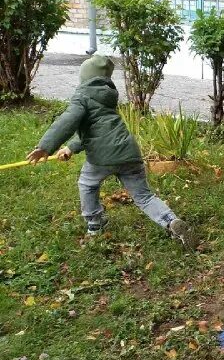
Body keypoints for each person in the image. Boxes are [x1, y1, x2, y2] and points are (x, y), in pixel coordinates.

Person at [26, 55, 196, 248]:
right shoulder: (107, 98)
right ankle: (170, 221)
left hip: (102, 157)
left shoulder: (82, 96)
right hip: (129, 152)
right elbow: (96, 131)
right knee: (144, 196)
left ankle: (94, 225)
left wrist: (45, 147)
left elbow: (68, 121)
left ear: (85, 78)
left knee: (88, 184)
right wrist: (70, 148)